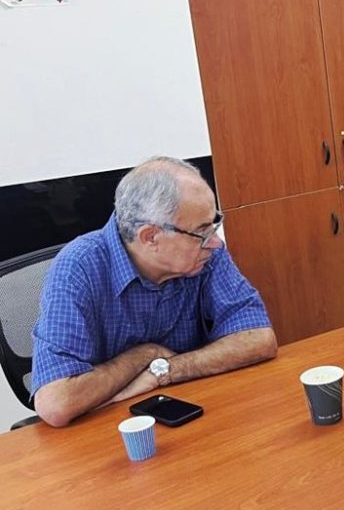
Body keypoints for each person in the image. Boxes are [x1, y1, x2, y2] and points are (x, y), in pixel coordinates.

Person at [31, 157, 277, 427]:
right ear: (150, 237)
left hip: (191, 410)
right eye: (201, 232)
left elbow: (258, 338)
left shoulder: (206, 255)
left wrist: (165, 370)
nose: (215, 242)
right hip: (110, 428)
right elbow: (57, 402)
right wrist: (146, 355)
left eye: (213, 225)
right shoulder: (79, 267)